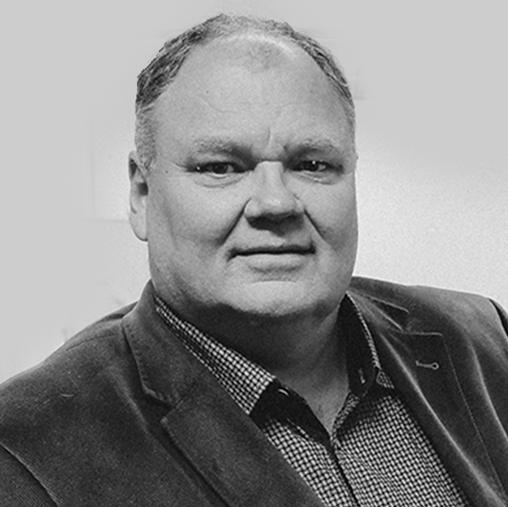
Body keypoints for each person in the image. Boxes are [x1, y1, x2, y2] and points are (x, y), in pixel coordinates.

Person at [1, 13, 507, 507]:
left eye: (312, 164)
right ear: (141, 194)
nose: (275, 203)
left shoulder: (482, 338)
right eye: (220, 167)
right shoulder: (27, 449)